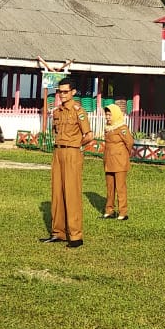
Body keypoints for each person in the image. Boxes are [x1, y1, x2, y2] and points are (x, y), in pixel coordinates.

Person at [39, 77, 92, 249]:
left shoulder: (78, 111)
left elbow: (89, 135)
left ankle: (75, 235)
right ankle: (58, 232)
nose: (62, 95)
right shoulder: (57, 112)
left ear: (73, 92)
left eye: (65, 92)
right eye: (59, 92)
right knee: (57, 192)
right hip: (58, 151)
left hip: (72, 152)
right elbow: (55, 131)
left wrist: (76, 145)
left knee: (71, 193)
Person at [100, 103, 134, 221]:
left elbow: (129, 142)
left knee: (120, 187)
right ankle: (109, 211)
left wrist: (122, 154)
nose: (108, 117)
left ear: (115, 115)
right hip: (109, 160)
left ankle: (123, 212)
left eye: (110, 115)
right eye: (107, 115)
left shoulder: (122, 128)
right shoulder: (108, 128)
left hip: (119, 161)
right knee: (110, 187)